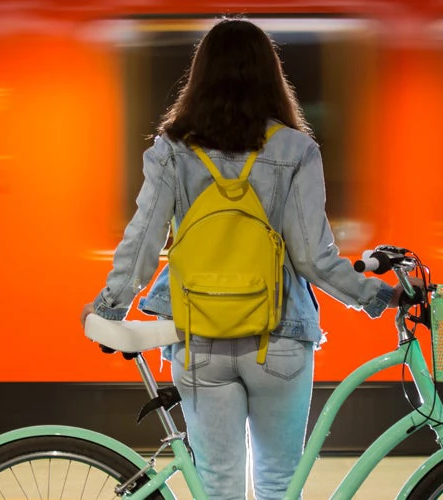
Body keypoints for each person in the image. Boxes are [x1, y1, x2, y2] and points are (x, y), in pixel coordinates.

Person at [82, 17, 408, 500]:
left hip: (197, 338)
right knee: (278, 483)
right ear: (271, 76)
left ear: (200, 75)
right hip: (278, 338)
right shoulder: (296, 150)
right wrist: (380, 295)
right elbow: (313, 258)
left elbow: (142, 242)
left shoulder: (172, 150)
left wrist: (108, 307)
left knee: (218, 488)